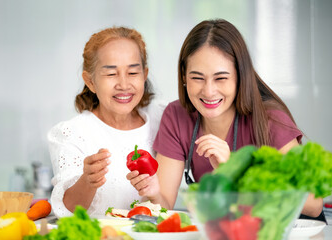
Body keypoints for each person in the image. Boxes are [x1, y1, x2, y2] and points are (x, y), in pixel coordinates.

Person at [127, 19, 324, 220]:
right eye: (197, 78)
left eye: (221, 78)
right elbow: (163, 207)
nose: (209, 91)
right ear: (184, 77)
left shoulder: (270, 119)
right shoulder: (177, 115)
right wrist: (152, 192)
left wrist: (235, 170)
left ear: (240, 76)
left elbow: (313, 204)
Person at [48, 26, 165, 217]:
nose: (124, 84)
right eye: (111, 74)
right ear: (90, 81)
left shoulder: (161, 119)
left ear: (144, 74)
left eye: (133, 73)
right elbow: (67, 210)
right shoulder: (71, 132)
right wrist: (88, 180)